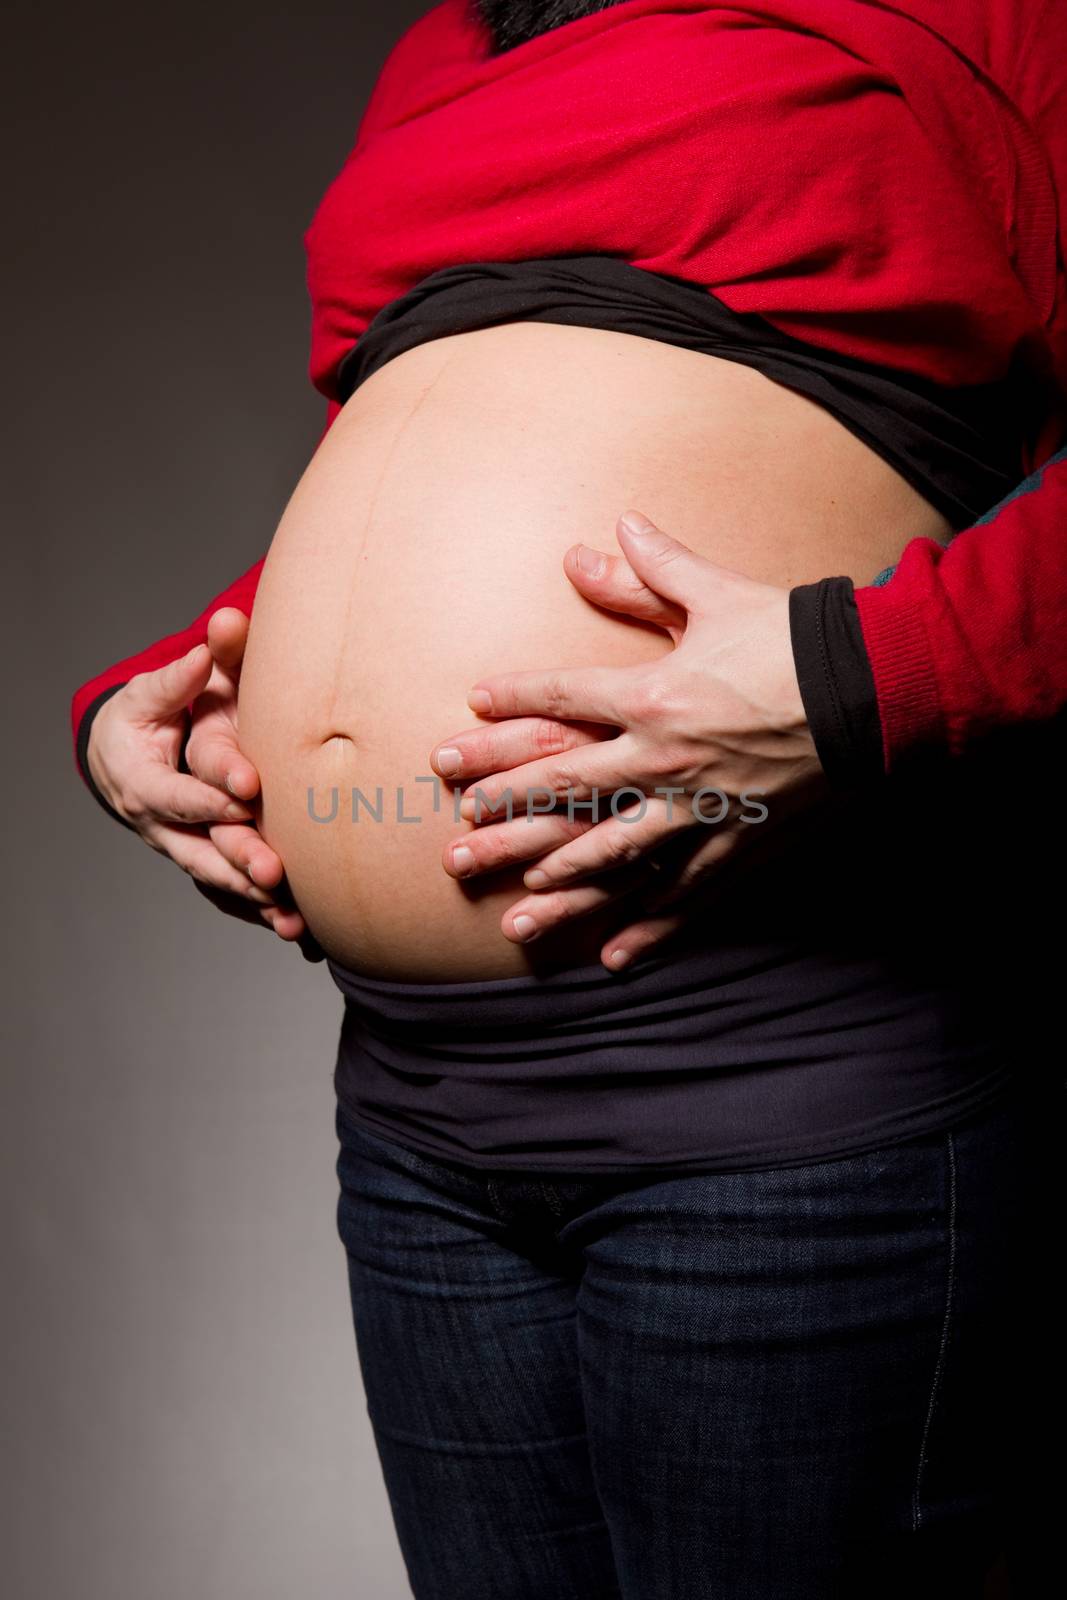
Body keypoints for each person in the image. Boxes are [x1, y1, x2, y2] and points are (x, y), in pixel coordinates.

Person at [71, 2, 1065, 1595]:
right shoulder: (449, 46)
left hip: (784, 1091)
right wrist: (163, 699)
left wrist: (859, 672)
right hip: (416, 1129)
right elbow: (423, 462)